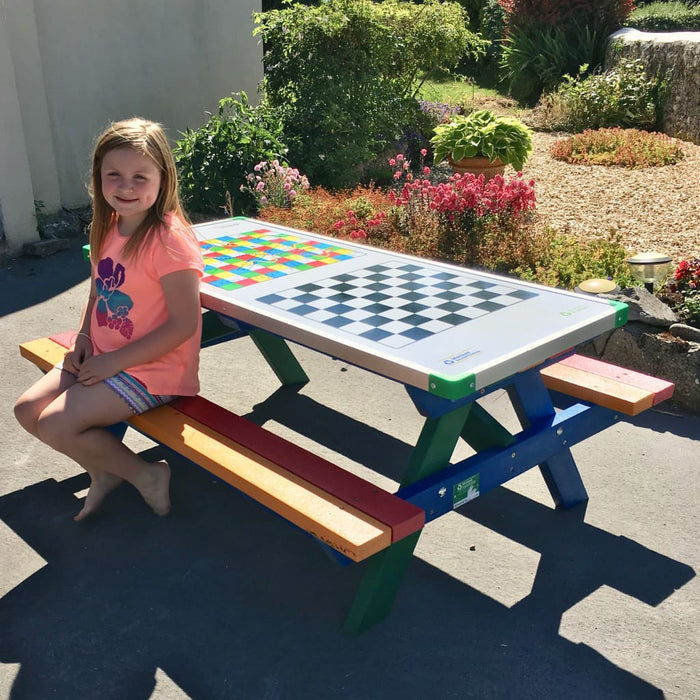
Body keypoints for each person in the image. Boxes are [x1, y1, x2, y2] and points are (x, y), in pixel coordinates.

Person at [14, 118, 204, 521]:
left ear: (163, 178)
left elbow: (184, 325)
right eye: (113, 175)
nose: (126, 186)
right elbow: (100, 288)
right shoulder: (108, 226)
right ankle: (103, 470)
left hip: (154, 370)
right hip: (103, 353)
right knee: (27, 410)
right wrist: (84, 334)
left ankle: (147, 474)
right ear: (98, 177)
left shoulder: (170, 241)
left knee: (55, 426)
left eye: (140, 176)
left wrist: (113, 363)